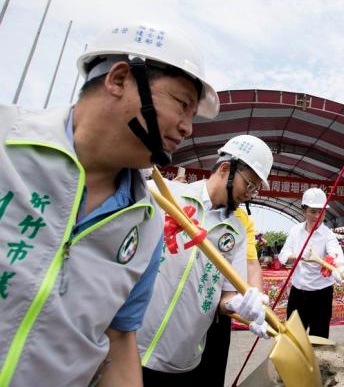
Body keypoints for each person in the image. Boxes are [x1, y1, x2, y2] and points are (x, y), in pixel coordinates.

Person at [0, 22, 220, 386]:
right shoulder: (7, 140)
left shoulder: (147, 225)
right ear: (119, 79)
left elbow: (119, 341)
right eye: (183, 105)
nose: (187, 128)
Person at [137, 135, 272, 384]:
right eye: (249, 184)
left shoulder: (236, 230)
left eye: (255, 188)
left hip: (182, 360)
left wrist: (237, 305)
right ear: (225, 169)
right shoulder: (168, 195)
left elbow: (226, 295)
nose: (250, 194)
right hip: (130, 346)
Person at [278, 188, 344, 338]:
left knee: (319, 338)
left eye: (321, 212)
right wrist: (298, 257)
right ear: (304, 211)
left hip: (322, 294)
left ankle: (317, 362)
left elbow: (337, 254)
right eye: (313, 211)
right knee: (294, 337)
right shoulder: (296, 231)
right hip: (298, 292)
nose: (317, 216)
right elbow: (283, 255)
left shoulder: (327, 234)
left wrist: (340, 267)